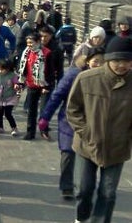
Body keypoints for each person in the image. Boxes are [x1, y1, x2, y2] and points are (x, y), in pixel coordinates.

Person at [66, 37, 132, 223]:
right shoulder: (87, 79)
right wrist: (87, 132)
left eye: (127, 61)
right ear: (108, 59)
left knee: (108, 193)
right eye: (117, 60)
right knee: (84, 189)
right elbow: (72, 109)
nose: (122, 65)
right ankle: (82, 218)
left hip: (117, 149)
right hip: (86, 145)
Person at [39, 47, 105, 201]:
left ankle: (85, 184)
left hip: (93, 123)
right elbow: (57, 96)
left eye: (102, 62)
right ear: (88, 61)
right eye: (96, 61)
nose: (98, 64)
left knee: (89, 155)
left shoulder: (105, 78)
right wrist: (45, 118)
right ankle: (67, 186)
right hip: (70, 121)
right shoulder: (74, 75)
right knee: (68, 153)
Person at [16, 34, 55, 141]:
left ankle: (44, 130)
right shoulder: (26, 53)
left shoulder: (47, 53)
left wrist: (47, 86)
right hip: (31, 85)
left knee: (44, 110)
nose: (29, 45)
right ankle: (30, 132)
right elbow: (22, 68)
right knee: (31, 110)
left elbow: (51, 71)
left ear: (38, 42)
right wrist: (20, 83)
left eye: (31, 42)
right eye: (28, 43)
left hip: (44, 85)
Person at [0, 59, 19, 136]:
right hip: (0, 97)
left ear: (7, 68)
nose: (0, 71)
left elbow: (16, 83)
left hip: (10, 97)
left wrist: (16, 85)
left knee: (8, 113)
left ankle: (14, 128)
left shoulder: (12, 75)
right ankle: (0, 127)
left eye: (2, 69)